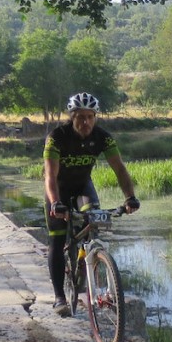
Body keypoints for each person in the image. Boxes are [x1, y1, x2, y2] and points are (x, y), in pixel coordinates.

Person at [43, 92, 140, 316]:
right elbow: (50, 175)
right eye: (80, 117)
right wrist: (56, 203)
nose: (85, 122)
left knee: (92, 223)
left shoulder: (103, 137)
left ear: (95, 117)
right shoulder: (57, 137)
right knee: (57, 240)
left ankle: (90, 259)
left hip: (83, 186)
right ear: (71, 117)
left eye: (90, 116)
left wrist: (129, 197)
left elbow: (120, 169)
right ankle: (59, 297)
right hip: (57, 188)